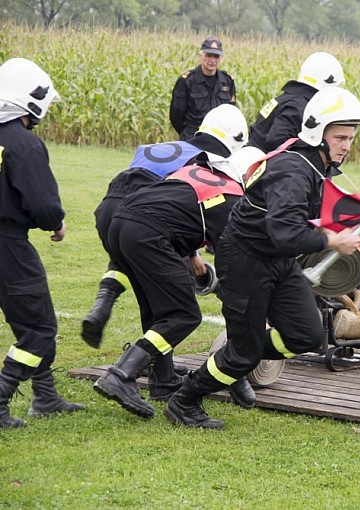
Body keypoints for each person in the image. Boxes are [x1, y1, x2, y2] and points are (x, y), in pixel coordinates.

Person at [164, 87, 360, 429]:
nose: (347, 145)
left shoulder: (315, 163)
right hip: (245, 259)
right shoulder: (295, 170)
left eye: (350, 137)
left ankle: (236, 360)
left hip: (277, 260)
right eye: (340, 136)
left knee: (306, 336)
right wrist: (333, 239)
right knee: (243, 352)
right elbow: (285, 233)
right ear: (318, 132)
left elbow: (297, 223)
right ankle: (185, 400)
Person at [91, 128, 262, 419]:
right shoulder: (232, 198)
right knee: (185, 315)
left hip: (121, 223)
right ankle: (122, 374)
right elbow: (234, 263)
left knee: (159, 310)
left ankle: (162, 380)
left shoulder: (197, 171)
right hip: (148, 234)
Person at [82, 103, 248, 350]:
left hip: (110, 205)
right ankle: (156, 370)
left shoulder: (168, 146)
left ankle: (102, 305)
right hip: (145, 217)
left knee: (128, 267)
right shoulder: (203, 159)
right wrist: (191, 254)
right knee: (168, 301)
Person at [0, 58, 85, 428]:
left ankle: (46, 396)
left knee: (27, 321)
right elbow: (44, 205)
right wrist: (56, 223)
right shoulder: (24, 145)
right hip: (8, 246)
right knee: (39, 328)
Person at [247, 51, 345, 152]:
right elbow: (278, 140)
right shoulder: (298, 107)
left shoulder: (287, 99)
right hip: (262, 163)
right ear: (329, 82)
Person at [169, 37, 237, 141]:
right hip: (193, 137)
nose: (212, 60)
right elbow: (176, 115)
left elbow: (230, 111)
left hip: (218, 139)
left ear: (221, 58)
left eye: (216, 56)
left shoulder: (227, 81)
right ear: (200, 56)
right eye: (208, 55)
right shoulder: (187, 81)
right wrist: (187, 133)